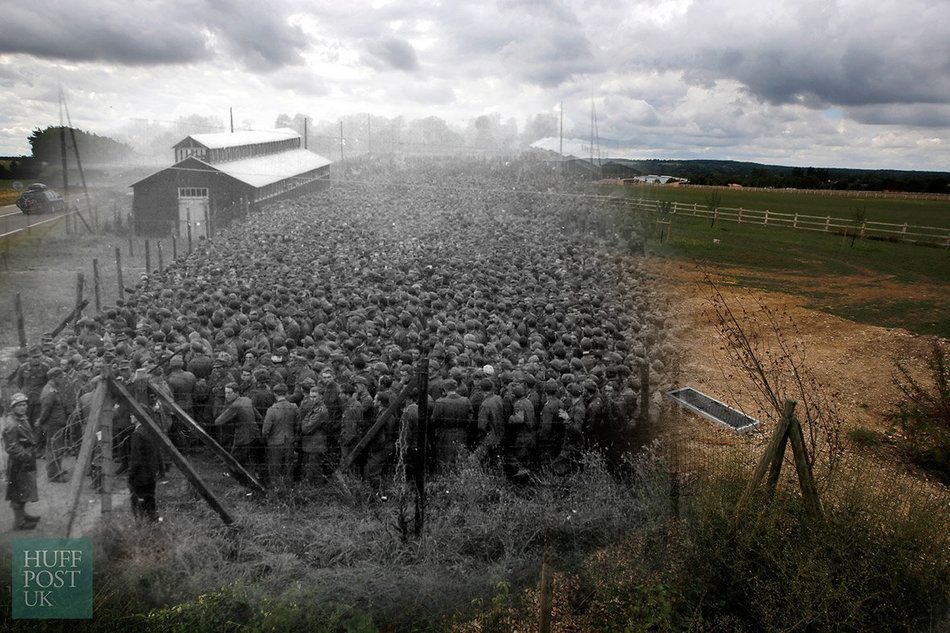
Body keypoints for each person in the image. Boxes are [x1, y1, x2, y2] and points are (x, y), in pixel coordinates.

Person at [2, 393, 41, 530]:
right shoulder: (12, 424)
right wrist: (25, 456)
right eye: (19, 405)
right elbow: (11, 447)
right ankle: (19, 523)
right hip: (19, 463)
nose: (23, 407)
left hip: (25, 460)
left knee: (24, 490)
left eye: (25, 404)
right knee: (17, 492)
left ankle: (23, 515)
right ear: (13, 407)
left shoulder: (21, 418)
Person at [261, 383, 297, 492]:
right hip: (289, 442)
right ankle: (289, 491)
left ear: (274, 394)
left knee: (275, 469)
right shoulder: (294, 407)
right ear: (286, 393)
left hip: (275, 443)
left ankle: (277, 491)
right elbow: (297, 425)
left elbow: (265, 430)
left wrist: (266, 438)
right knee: (288, 469)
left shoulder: (272, 410)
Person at [128, 417, 162, 522]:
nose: (130, 416)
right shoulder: (150, 431)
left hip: (140, 475)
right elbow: (157, 453)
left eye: (133, 414)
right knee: (150, 500)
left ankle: (140, 524)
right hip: (151, 473)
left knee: (138, 501)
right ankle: (153, 521)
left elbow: (136, 458)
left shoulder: (137, 435)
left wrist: (131, 475)